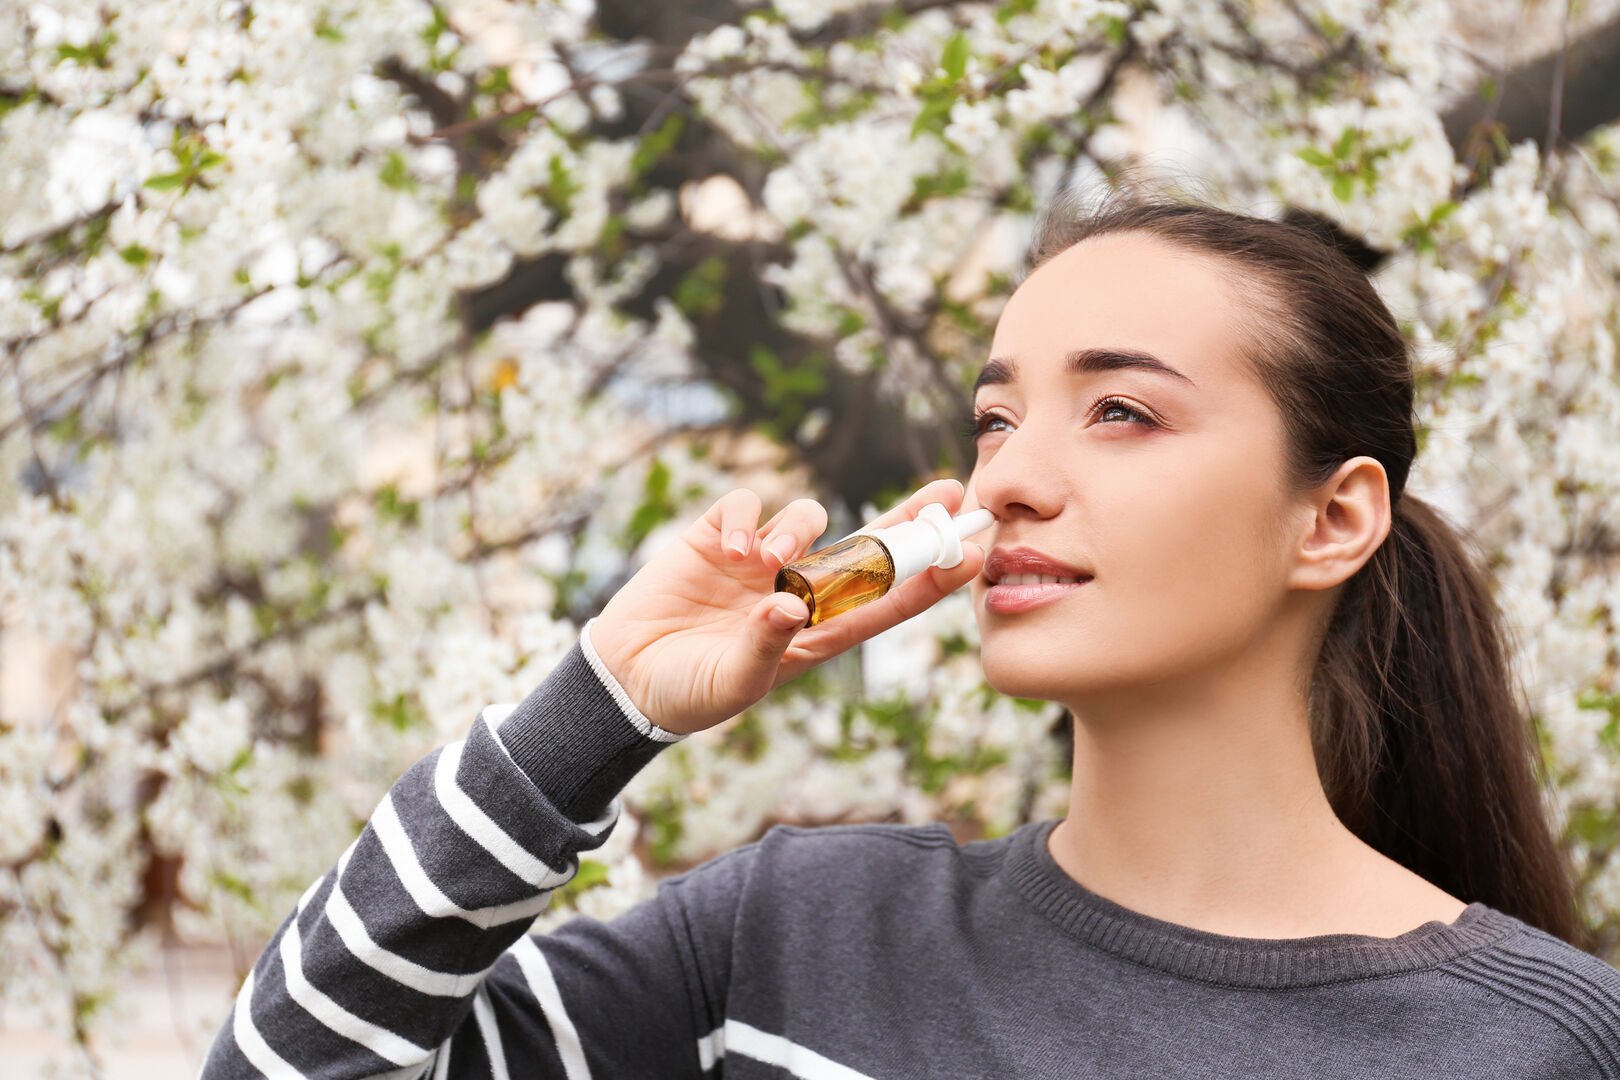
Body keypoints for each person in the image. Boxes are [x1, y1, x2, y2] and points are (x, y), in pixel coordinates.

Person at [200, 190, 1620, 1080]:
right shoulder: (793, 938)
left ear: (1333, 518)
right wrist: (599, 708)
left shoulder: (1527, 1041)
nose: (1006, 477)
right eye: (996, 419)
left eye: (1120, 410)